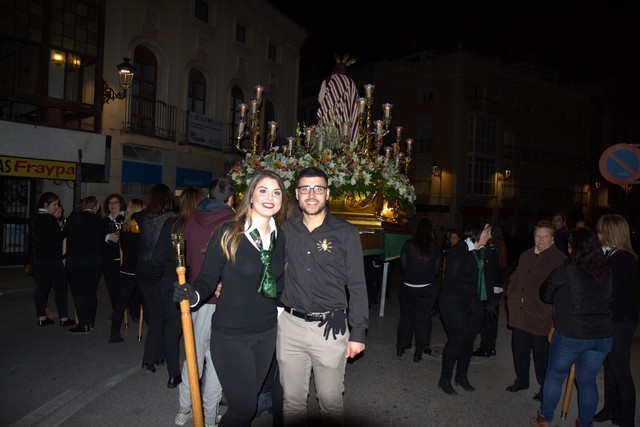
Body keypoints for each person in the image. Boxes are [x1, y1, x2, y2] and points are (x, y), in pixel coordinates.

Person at [174, 171, 287, 426]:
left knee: (249, 401)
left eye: (276, 192)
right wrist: (194, 295)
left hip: (267, 332)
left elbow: (279, 284)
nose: (270, 197)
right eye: (263, 190)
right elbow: (207, 278)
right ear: (250, 195)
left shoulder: (280, 237)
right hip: (232, 334)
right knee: (243, 408)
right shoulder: (227, 231)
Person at [276, 166, 368, 425]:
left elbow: (358, 285)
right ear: (297, 194)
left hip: (331, 327)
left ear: (327, 193)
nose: (312, 194)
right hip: (291, 327)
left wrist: (358, 332)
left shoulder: (346, 233)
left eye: (318, 188)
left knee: (330, 402)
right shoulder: (285, 231)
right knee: (292, 401)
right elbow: (267, 269)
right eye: (305, 188)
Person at [530, 228, 613, 427]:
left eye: (569, 245)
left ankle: (545, 417)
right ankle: (585, 423)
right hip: (602, 336)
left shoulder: (567, 268)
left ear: (573, 247)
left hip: (571, 334)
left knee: (555, 375)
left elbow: (545, 294)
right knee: (587, 381)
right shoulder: (606, 270)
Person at [174, 179, 235, 427]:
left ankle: (184, 408)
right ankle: (209, 417)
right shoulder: (234, 222)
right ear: (231, 199)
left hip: (197, 298)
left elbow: (186, 259)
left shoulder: (192, 218)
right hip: (223, 300)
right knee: (217, 361)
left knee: (193, 355)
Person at [505, 220, 566, 401]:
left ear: (552, 238)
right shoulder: (526, 255)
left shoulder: (559, 259)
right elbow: (516, 276)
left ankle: (544, 387)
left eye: (545, 237)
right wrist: (512, 294)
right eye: (538, 236)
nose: (541, 240)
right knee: (519, 349)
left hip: (542, 316)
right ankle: (522, 380)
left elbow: (561, 291)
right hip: (521, 313)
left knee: (542, 356)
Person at [148, 187, 203, 389]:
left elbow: (157, 258)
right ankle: (196, 375)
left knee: (172, 331)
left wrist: (159, 277)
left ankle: (174, 375)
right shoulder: (202, 225)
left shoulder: (171, 224)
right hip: (197, 283)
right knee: (198, 332)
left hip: (171, 282)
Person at [437, 218, 494, 396]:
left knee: (469, 340)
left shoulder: (485, 252)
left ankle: (461, 376)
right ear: (476, 232)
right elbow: (452, 281)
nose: (490, 236)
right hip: (453, 300)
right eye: (487, 231)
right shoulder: (459, 250)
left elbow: (490, 277)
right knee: (457, 338)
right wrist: (471, 304)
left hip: (474, 301)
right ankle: (444, 379)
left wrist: (491, 299)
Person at [594, 214, 638, 426]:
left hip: (621, 320)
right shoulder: (611, 255)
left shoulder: (623, 258)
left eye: (601, 230)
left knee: (620, 371)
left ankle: (627, 419)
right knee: (609, 366)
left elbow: (608, 290)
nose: (598, 234)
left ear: (610, 232)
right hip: (611, 318)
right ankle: (611, 409)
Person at [135, 184, 176, 376]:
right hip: (160, 269)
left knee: (154, 315)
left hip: (142, 269)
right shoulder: (170, 218)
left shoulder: (141, 217)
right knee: (162, 317)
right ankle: (155, 356)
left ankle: (151, 358)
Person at [396, 217, 442, 362]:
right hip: (426, 288)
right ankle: (418, 353)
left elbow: (403, 265)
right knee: (422, 321)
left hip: (408, 286)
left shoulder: (408, 244)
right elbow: (436, 269)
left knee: (405, 317)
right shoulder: (435, 247)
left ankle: (400, 347)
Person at [32, 192, 74, 326]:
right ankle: (64, 318)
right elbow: (58, 237)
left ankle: (41, 317)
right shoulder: (48, 219)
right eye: (54, 204)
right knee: (60, 288)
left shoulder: (37, 217)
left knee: (42, 288)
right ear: (46, 205)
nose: (57, 207)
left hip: (39, 259)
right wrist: (65, 227)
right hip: (52, 260)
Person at [64, 196, 104, 334]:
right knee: (91, 292)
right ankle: (91, 323)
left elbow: (64, 233)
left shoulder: (74, 217)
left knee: (79, 293)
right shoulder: (99, 221)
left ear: (82, 206)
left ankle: (83, 324)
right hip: (95, 260)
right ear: (96, 207)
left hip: (76, 259)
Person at [109, 198, 145, 343]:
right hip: (140, 270)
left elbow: (123, 249)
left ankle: (114, 333)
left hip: (126, 270)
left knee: (121, 304)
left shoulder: (124, 227)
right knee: (148, 304)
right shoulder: (143, 229)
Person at [472, 234, 502, 357]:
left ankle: (485, 348)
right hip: (497, 288)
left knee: (487, 320)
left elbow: (488, 275)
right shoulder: (495, 250)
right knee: (492, 320)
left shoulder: (488, 252)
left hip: (491, 290)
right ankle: (491, 347)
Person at [102, 194, 126, 311]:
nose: (112, 205)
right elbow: (96, 237)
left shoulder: (126, 219)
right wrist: (107, 237)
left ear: (120, 204)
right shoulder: (104, 221)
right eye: (110, 203)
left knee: (124, 289)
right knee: (112, 289)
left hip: (124, 260)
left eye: (115, 202)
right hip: (108, 260)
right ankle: (117, 312)